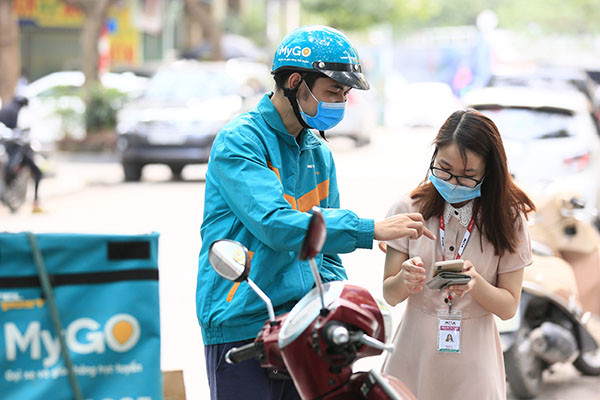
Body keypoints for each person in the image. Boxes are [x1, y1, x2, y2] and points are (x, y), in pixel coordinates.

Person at [196, 25, 435, 400]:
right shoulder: (241, 141)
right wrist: (369, 230)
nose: (340, 102)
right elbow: (274, 224)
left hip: (305, 326)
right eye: (333, 91)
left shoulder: (318, 152)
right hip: (243, 322)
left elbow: (327, 255)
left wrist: (338, 302)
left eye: (344, 93)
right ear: (295, 82)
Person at [381, 109, 535, 400]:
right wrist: (404, 279)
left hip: (475, 365)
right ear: (433, 155)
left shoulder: (508, 219)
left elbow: (508, 307)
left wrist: (476, 284)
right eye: (444, 168)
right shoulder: (408, 208)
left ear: (489, 173)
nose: (452, 181)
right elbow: (389, 294)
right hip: (413, 356)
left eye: (468, 176)